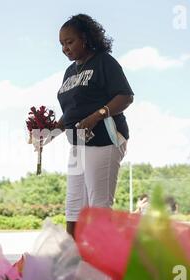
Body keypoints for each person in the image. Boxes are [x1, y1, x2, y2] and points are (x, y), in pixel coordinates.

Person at [53, 14, 134, 238]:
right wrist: (49, 131)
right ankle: (73, 259)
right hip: (77, 145)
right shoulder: (70, 72)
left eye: (70, 42)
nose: (65, 48)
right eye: (61, 44)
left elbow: (125, 96)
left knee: (98, 206)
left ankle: (101, 264)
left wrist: (96, 116)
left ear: (86, 38)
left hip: (105, 139)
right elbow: (71, 111)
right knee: (74, 204)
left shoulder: (104, 61)